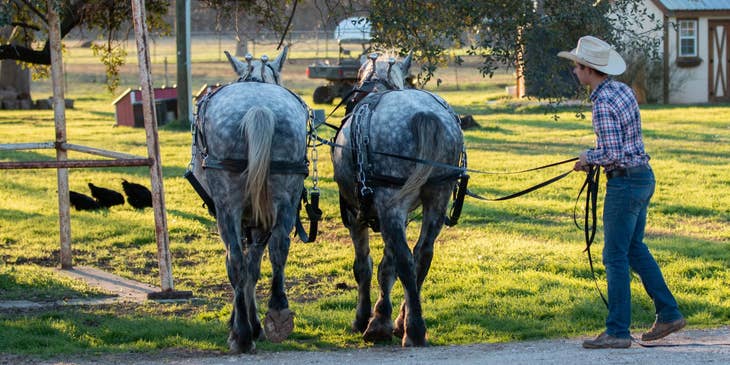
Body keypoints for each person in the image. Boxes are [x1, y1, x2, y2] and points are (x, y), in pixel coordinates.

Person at [558, 35, 685, 349]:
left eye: (576, 66)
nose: (574, 71)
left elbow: (612, 152)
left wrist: (589, 158)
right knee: (634, 249)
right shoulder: (623, 90)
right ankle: (668, 312)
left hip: (625, 184)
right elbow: (624, 144)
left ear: (588, 69)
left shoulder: (602, 102)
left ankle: (617, 331)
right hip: (643, 177)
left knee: (614, 256)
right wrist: (594, 154)